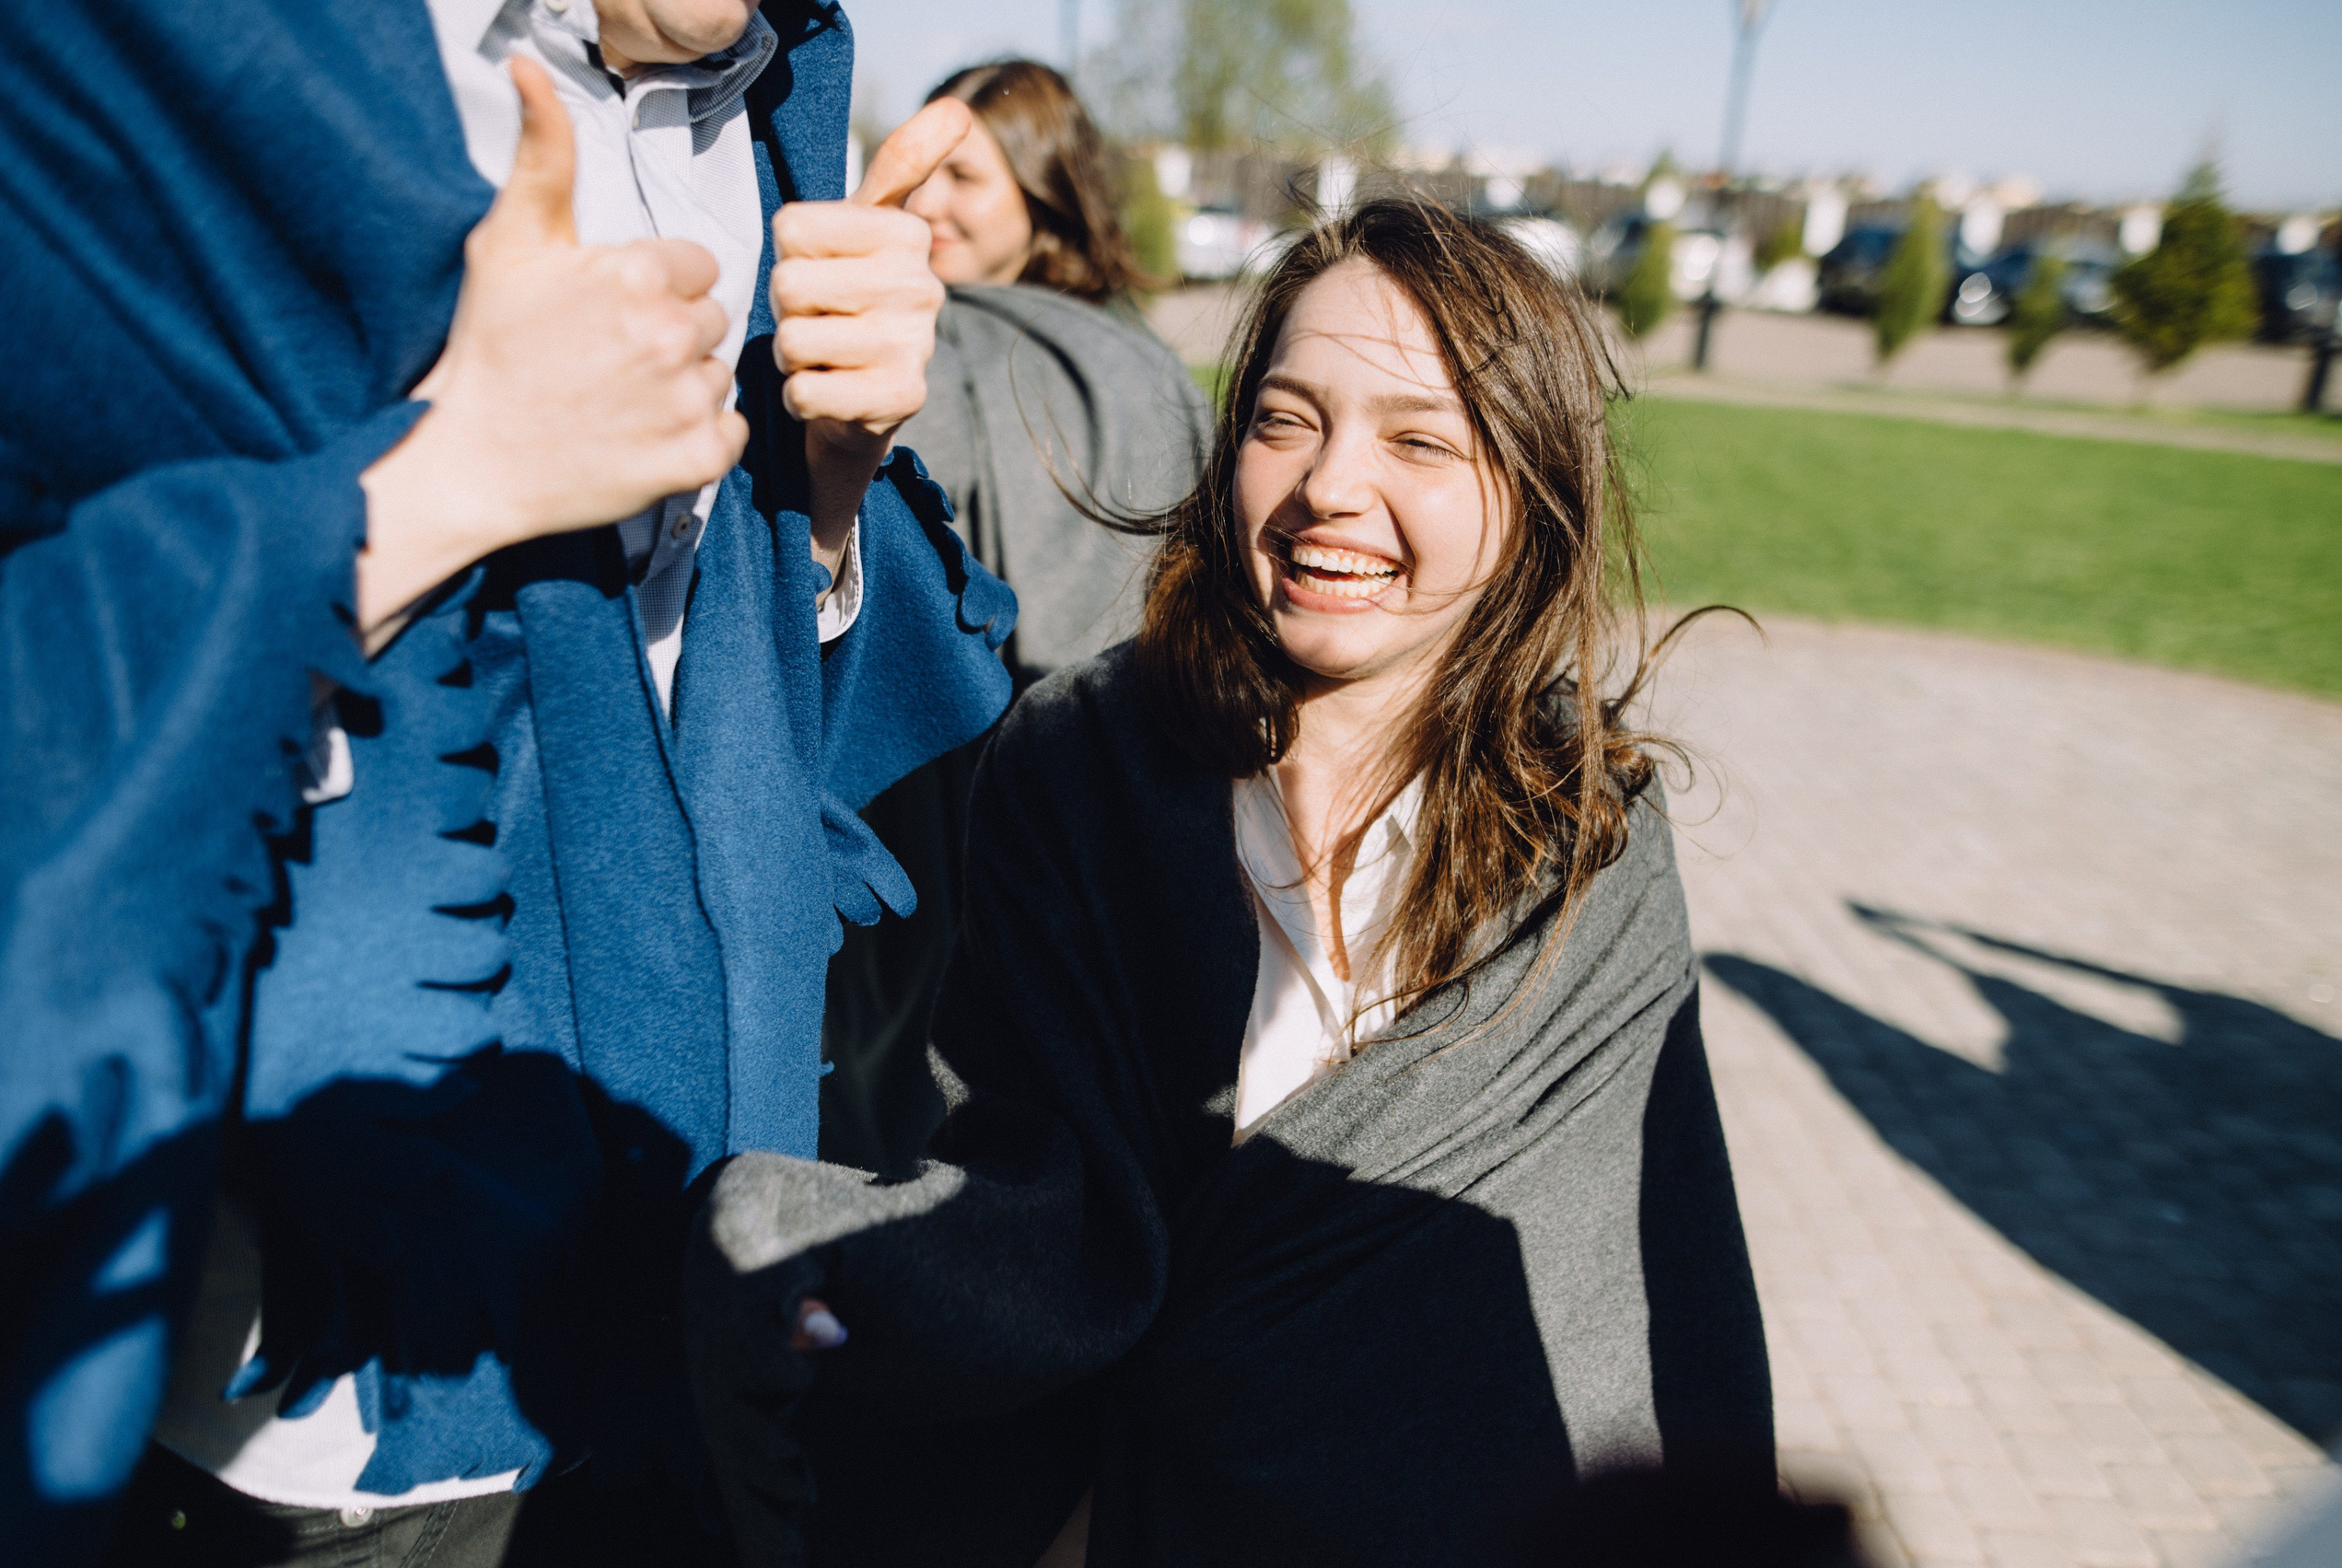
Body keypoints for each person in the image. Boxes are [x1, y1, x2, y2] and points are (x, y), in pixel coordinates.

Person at [2, 2, 1010, 1563]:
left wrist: (836, 468)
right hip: (337, 1385)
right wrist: (459, 469)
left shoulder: (782, 92)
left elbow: (745, 695)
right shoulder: (146, 58)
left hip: (691, 1289)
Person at [686, 197, 1774, 1567]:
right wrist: (808, 1254)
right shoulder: (1074, 765)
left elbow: (1667, 1272)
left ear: (1531, 493)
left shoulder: (1590, 836)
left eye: (1422, 439)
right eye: (1286, 418)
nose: (1329, 486)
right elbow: (1033, 1175)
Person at [819, 60, 1210, 1177]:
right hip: (989, 798)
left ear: (1045, 195)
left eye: (968, 178)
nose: (931, 203)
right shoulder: (1142, 359)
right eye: (922, 173)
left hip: (1008, 795)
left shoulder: (968, 355)